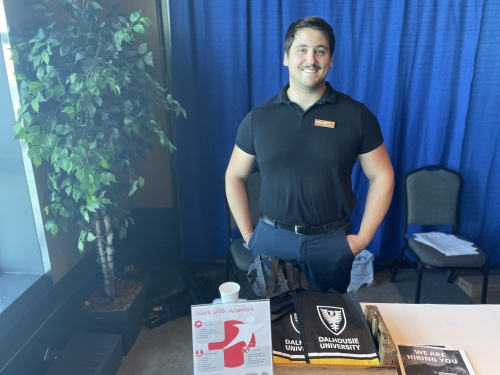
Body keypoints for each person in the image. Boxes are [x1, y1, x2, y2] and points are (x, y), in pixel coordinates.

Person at [225, 16, 394, 293]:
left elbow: (383, 175)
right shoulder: (259, 118)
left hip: (331, 244)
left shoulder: (357, 116)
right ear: (286, 58)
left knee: (327, 328)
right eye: (302, 49)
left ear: (331, 59)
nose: (311, 59)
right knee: (275, 325)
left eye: (320, 50)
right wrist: (249, 236)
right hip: (272, 242)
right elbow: (234, 175)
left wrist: (362, 238)